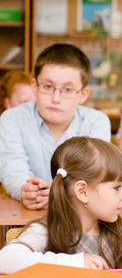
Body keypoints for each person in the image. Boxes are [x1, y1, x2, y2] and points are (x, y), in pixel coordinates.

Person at [0, 137, 122, 274]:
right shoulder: (47, 230)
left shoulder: (116, 233)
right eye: (117, 187)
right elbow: (5, 260)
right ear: (82, 192)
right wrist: (75, 263)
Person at [0, 44, 111, 210]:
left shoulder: (97, 122)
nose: (56, 98)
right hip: (26, 216)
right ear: (34, 86)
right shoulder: (12, 119)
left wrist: (58, 193)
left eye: (67, 89)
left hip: (80, 217)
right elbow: (12, 171)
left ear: (83, 95)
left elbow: (96, 176)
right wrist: (26, 191)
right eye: (48, 87)